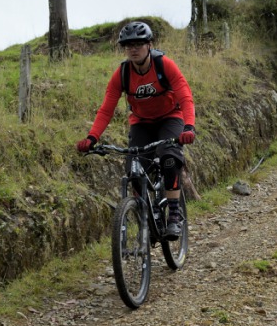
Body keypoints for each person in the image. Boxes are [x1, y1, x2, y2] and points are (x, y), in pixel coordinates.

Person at [76, 21, 196, 238]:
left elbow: (185, 97)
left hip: (170, 118)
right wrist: (92, 137)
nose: (133, 49)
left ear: (149, 45)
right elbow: (106, 109)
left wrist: (188, 127)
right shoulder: (122, 74)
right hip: (141, 123)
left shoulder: (165, 65)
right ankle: (143, 215)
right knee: (134, 169)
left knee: (169, 159)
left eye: (138, 44)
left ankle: (175, 216)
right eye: (128, 45)